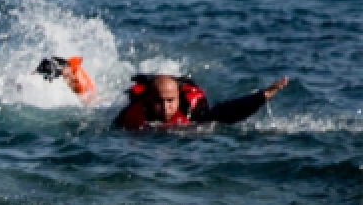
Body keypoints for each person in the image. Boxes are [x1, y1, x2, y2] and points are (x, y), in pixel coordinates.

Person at [113, 74, 289, 129]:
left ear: (178, 98)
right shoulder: (132, 112)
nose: (166, 108)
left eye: (170, 101)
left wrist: (263, 95)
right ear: (149, 101)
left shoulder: (191, 110)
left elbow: (227, 111)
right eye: (159, 102)